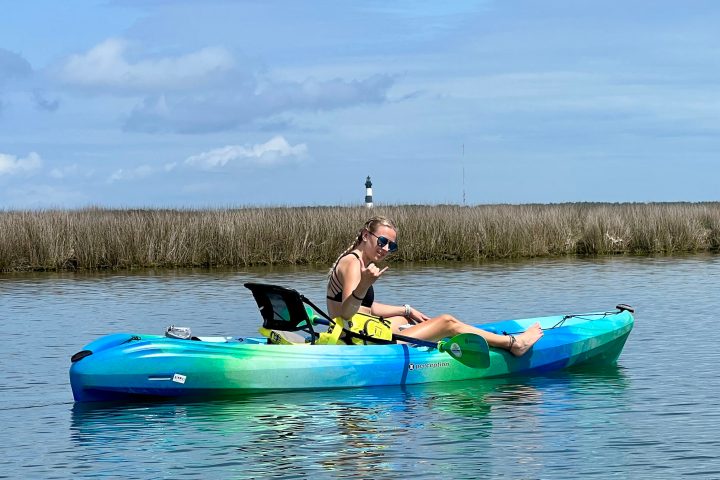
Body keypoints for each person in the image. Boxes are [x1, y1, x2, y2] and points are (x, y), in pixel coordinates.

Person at [326, 215, 543, 356]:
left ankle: (430, 337)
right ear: (366, 235)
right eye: (382, 242)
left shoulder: (355, 260)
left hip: (357, 333)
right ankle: (513, 344)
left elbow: (365, 308)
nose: (385, 249)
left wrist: (406, 309)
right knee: (447, 322)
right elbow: (347, 312)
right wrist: (364, 284)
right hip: (358, 343)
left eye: (392, 246)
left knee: (402, 320)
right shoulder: (353, 264)